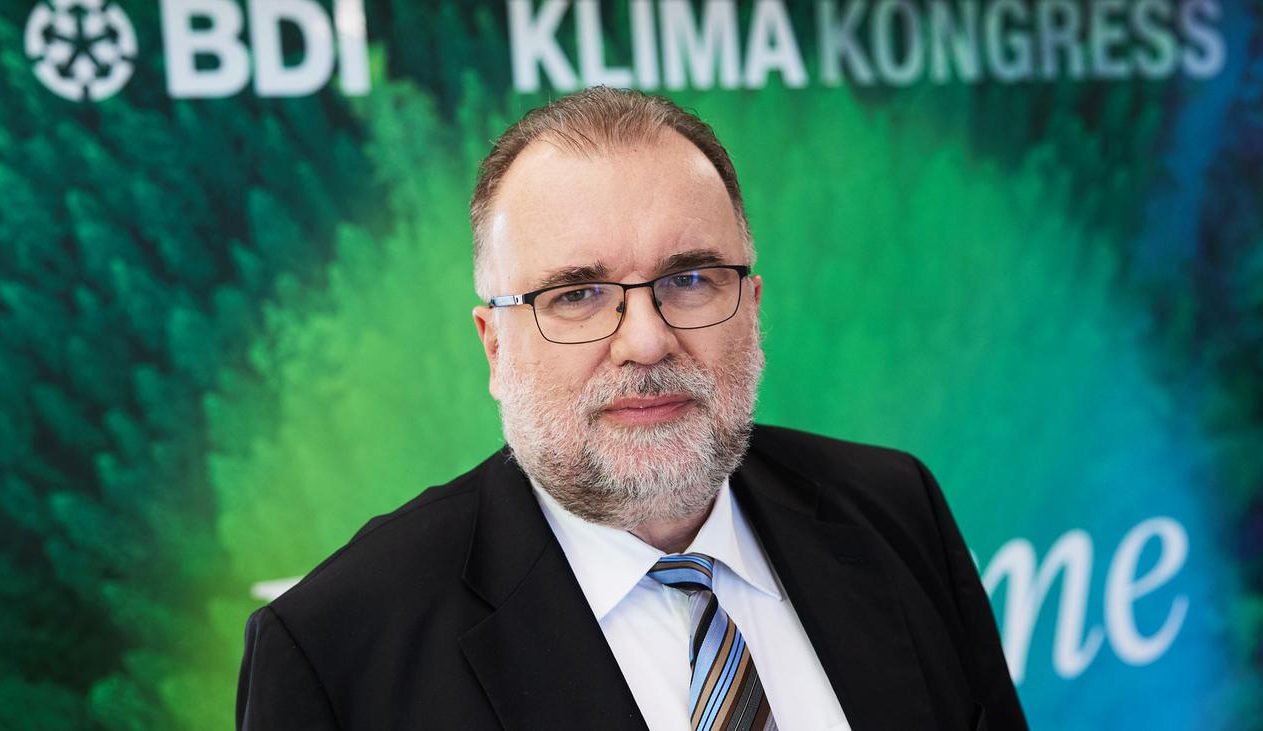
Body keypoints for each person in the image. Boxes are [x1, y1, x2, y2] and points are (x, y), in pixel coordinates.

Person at [236, 86, 1028, 731]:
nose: (646, 341)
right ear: (494, 345)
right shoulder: (336, 650)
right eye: (577, 293)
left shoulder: (894, 508)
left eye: (690, 279)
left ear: (752, 307)